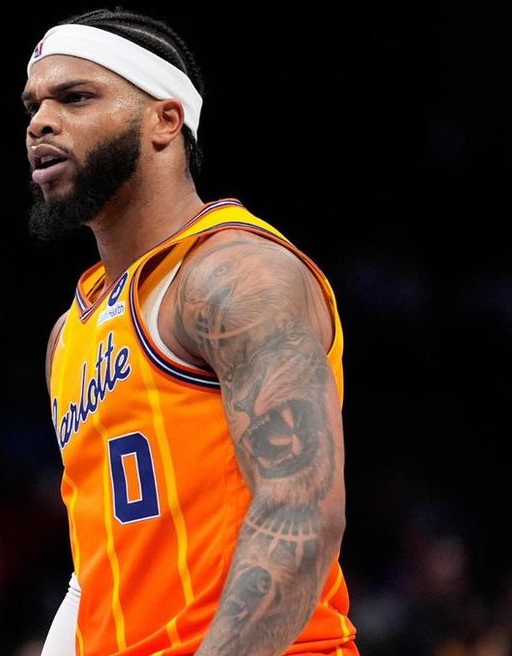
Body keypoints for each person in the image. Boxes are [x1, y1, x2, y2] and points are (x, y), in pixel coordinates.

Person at [23, 8, 358, 656]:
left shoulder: (235, 275)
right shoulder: (70, 334)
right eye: (33, 105)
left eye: (76, 97)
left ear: (165, 120)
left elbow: (301, 514)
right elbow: (93, 575)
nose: (40, 121)